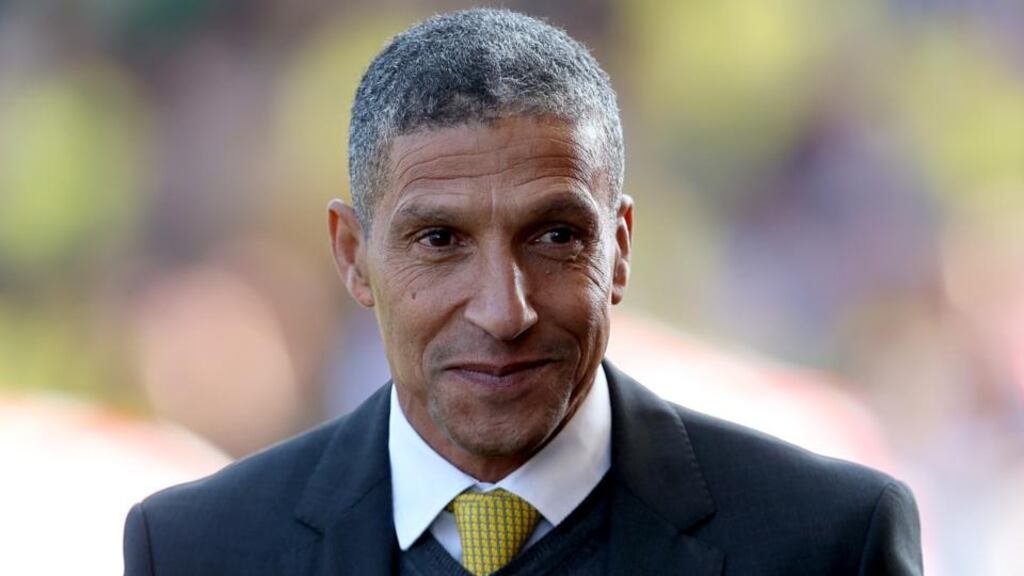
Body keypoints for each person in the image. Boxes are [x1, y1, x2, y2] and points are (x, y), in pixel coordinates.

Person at [123, 9, 922, 575]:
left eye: (555, 237)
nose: (504, 312)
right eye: (439, 242)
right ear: (353, 256)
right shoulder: (199, 550)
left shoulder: (825, 544)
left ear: (618, 248)